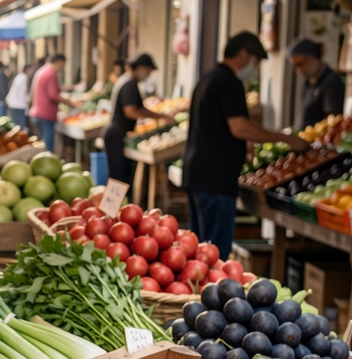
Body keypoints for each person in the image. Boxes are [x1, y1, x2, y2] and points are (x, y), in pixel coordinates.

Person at [183, 32, 309, 258]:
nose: (255, 68)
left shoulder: (208, 78)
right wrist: (286, 138)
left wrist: (246, 140)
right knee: (214, 254)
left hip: (197, 174)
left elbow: (220, 124)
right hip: (215, 180)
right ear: (243, 55)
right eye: (256, 61)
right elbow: (239, 127)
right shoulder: (230, 83)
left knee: (198, 251)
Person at [102, 54, 177, 187]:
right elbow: (130, 111)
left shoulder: (125, 80)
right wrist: (160, 116)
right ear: (141, 68)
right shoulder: (129, 83)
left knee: (120, 175)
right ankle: (115, 207)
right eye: (148, 72)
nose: (148, 76)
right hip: (116, 133)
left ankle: (120, 206)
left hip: (116, 132)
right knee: (119, 177)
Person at [288, 36, 345, 130]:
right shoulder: (308, 80)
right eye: (295, 66)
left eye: (300, 64)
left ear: (312, 58)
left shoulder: (331, 81)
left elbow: (332, 119)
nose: (298, 70)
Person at [29, 53, 75, 152]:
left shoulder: (42, 71)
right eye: (63, 65)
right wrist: (70, 102)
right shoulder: (51, 73)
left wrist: (68, 88)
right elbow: (52, 95)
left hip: (37, 113)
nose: (62, 68)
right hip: (45, 114)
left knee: (43, 144)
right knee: (47, 147)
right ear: (59, 62)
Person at [5, 63, 33, 128]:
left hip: (14, 104)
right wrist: (28, 102)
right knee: (20, 126)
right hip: (18, 105)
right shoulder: (23, 78)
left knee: (16, 125)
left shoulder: (19, 76)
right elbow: (22, 93)